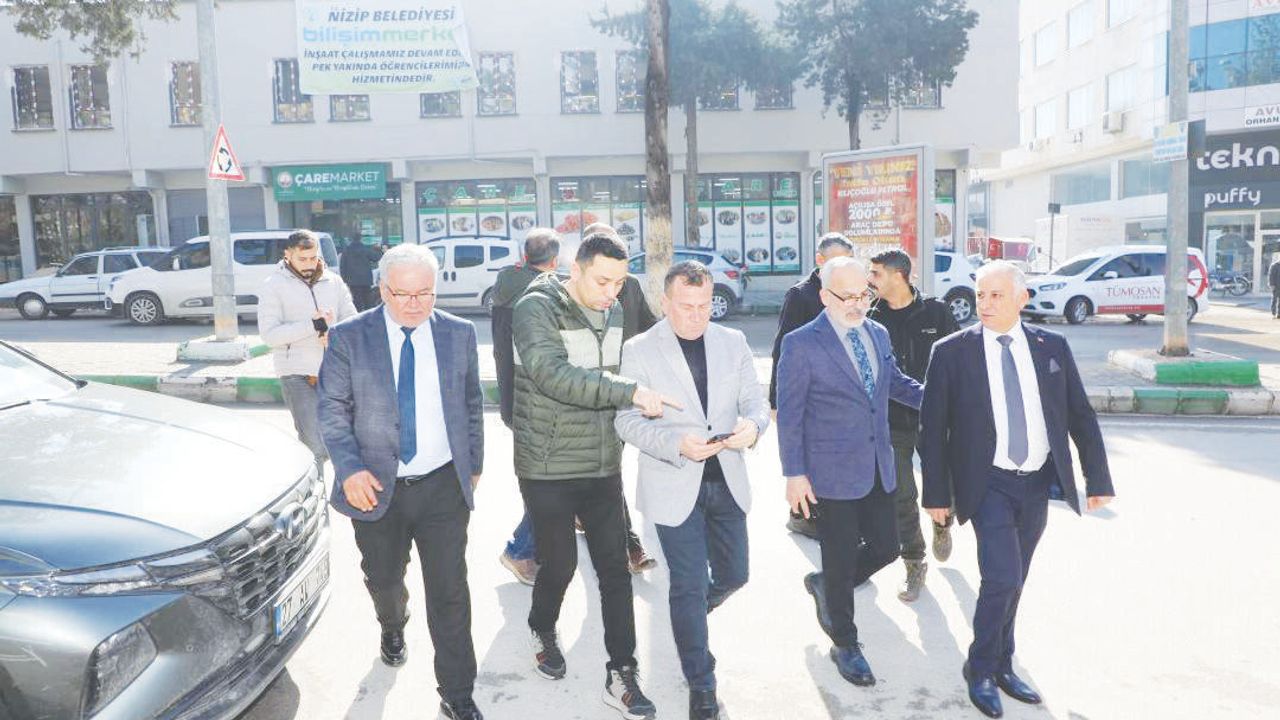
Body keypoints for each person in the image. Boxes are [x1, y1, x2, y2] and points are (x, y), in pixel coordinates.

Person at [919, 260, 1114, 719]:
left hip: (1037, 482)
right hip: (987, 482)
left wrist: (1098, 478)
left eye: (996, 295)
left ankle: (1003, 663)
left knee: (1015, 579)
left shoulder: (1051, 346)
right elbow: (932, 429)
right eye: (980, 295)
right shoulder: (952, 352)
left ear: (1022, 298)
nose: (984, 304)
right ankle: (980, 668)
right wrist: (936, 494)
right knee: (1002, 578)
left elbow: (1079, 414)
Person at [317, 244, 486, 720]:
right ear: (383, 290)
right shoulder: (350, 336)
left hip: (441, 487)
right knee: (385, 578)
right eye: (404, 294)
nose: (415, 304)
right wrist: (349, 468)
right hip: (373, 486)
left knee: (450, 591)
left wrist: (473, 464)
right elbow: (332, 409)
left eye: (425, 293)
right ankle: (392, 623)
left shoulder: (459, 333)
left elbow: (472, 404)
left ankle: (457, 694)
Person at [512, 231, 676, 720]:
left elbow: (632, 366)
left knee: (615, 571)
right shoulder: (536, 308)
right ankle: (542, 626)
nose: (612, 292)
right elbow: (551, 374)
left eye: (620, 282)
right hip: (547, 463)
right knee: (559, 564)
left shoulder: (617, 308)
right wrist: (630, 392)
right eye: (603, 281)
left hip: (602, 461)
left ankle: (622, 673)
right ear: (575, 269)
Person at [615, 261, 770, 720]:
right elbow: (626, 421)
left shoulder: (733, 341)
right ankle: (701, 682)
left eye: (704, 306)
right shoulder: (640, 349)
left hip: (727, 481)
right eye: (686, 306)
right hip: (672, 482)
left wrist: (753, 427)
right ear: (665, 302)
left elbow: (755, 402)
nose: (697, 315)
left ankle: (689, 627)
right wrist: (674, 444)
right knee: (687, 585)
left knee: (734, 575)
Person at [776, 257, 923, 688]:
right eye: (848, 297)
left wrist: (937, 400)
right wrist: (794, 473)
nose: (858, 304)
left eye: (864, 295)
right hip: (830, 471)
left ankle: (828, 585)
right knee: (839, 557)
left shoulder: (877, 333)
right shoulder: (802, 344)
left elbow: (894, 382)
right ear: (825, 296)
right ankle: (845, 642)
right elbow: (790, 414)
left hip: (878, 464)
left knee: (888, 547)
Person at [866, 248, 960, 603]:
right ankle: (914, 562)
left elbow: (959, 358)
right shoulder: (871, 318)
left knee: (943, 485)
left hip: (935, 419)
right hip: (891, 421)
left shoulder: (937, 312)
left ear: (898, 275)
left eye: (876, 274)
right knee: (901, 495)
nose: (870, 280)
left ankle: (942, 522)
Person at [769, 232, 855, 539]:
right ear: (820, 260)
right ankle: (801, 516)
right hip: (806, 391)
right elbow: (782, 347)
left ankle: (823, 513)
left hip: (839, 394)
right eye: (836, 261)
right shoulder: (801, 295)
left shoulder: (851, 293)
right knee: (807, 455)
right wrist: (775, 399)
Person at [492, 228, 562, 586]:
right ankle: (521, 550)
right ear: (554, 261)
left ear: (524, 256)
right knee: (550, 484)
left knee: (541, 480)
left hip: (513, 400)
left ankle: (533, 549)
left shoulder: (506, 282)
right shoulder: (547, 294)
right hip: (540, 402)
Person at [257, 229, 356, 475]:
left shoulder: (334, 282)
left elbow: (352, 321)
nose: (309, 264)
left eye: (313, 258)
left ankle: (343, 492)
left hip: (335, 371)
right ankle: (315, 494)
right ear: (287, 255)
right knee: (314, 445)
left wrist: (334, 335)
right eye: (303, 259)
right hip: (296, 374)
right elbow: (269, 335)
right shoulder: (273, 286)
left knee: (341, 442)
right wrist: (311, 325)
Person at [338, 237, 384, 311]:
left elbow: (342, 266)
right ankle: (368, 315)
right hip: (365, 281)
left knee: (357, 301)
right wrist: (378, 249)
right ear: (360, 239)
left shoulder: (346, 251)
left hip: (353, 281)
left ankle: (358, 315)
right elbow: (376, 257)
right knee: (368, 301)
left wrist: (345, 280)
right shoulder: (365, 249)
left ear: (351, 240)